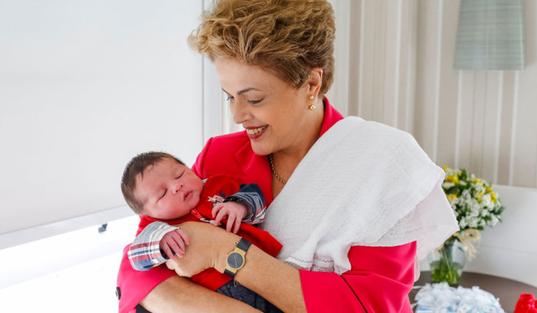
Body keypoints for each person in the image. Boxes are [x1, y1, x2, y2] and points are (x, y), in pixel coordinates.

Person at [115, 1, 459, 312]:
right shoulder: (218, 156)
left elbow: (369, 306)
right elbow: (136, 269)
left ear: (311, 84)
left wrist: (225, 250)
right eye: (229, 97)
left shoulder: (383, 163)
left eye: (254, 99)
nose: (237, 115)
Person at [119, 151, 282, 312]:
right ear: (146, 213)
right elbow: (136, 257)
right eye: (162, 194)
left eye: (179, 174)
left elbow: (257, 198)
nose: (177, 186)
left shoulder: (218, 185)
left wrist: (241, 206)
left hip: (260, 266)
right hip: (218, 290)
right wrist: (160, 241)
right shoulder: (154, 226)